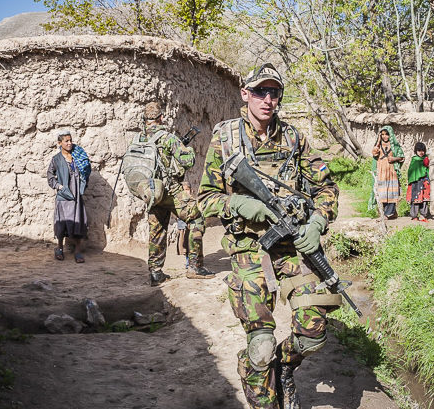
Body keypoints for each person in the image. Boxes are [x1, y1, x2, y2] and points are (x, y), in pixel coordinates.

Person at [198, 63, 340, 409]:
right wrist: (240, 204)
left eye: (273, 92)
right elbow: (204, 200)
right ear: (245, 94)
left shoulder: (294, 138)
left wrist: (317, 222)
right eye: (260, 91)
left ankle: (285, 366)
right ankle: (265, 395)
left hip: (292, 250)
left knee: (314, 330)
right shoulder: (226, 138)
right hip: (248, 251)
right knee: (260, 345)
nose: (267, 98)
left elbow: (327, 188)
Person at [140, 102, 215, 286]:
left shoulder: (140, 139)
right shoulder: (167, 137)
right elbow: (188, 160)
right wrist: (186, 148)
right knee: (196, 217)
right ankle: (195, 266)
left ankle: (156, 272)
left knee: (157, 229)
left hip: (152, 192)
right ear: (161, 118)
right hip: (170, 191)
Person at [46, 129, 91, 263]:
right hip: (64, 196)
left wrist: (82, 184)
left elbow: (86, 170)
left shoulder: (77, 156)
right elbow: (50, 177)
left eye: (70, 140)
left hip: (76, 195)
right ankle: (59, 248)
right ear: (60, 143)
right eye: (66, 141)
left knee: (78, 221)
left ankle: (77, 251)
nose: (70, 143)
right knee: (62, 223)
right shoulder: (56, 159)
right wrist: (59, 187)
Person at [369, 125, 404, 219]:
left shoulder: (395, 146)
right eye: (382, 134)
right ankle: (389, 213)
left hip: (391, 171)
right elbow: (374, 152)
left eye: (387, 134)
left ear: (390, 135)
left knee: (391, 191)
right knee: (383, 192)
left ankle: (388, 214)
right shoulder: (378, 146)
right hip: (381, 172)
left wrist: (394, 158)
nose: (385, 136)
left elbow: (401, 157)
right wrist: (378, 141)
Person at [406, 142, 431, 221]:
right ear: (415, 151)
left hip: (424, 181)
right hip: (415, 182)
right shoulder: (414, 160)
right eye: (419, 150)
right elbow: (411, 172)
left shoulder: (426, 158)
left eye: (422, 150)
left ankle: (423, 215)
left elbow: (427, 169)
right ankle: (414, 216)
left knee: (424, 199)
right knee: (415, 198)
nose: (421, 152)